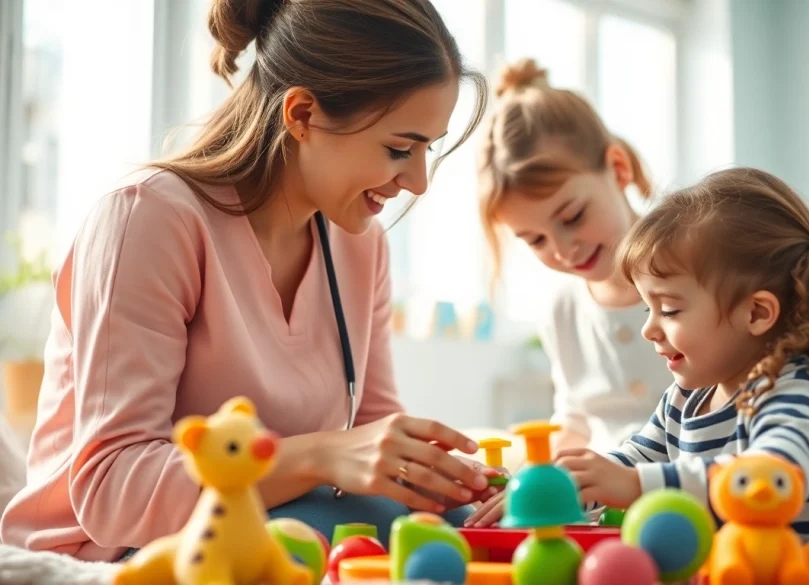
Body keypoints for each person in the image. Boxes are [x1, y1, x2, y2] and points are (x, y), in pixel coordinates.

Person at [0, 0, 504, 560]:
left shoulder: (360, 245)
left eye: (426, 150)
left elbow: (371, 433)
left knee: (469, 528)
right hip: (119, 553)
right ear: (303, 115)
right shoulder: (148, 220)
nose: (417, 182)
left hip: (281, 526)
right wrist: (320, 456)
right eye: (398, 149)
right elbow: (114, 489)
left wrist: (444, 480)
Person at [467, 167, 809, 569]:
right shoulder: (686, 399)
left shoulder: (802, 393)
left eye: (670, 309)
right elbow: (632, 458)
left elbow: (772, 478)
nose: (650, 329)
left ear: (756, 313)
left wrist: (634, 486)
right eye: (647, 309)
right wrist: (565, 483)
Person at [476, 58, 670, 455]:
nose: (563, 250)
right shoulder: (562, 311)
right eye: (535, 240)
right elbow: (574, 421)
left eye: (572, 217)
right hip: (606, 507)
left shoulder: (696, 274)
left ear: (617, 169)